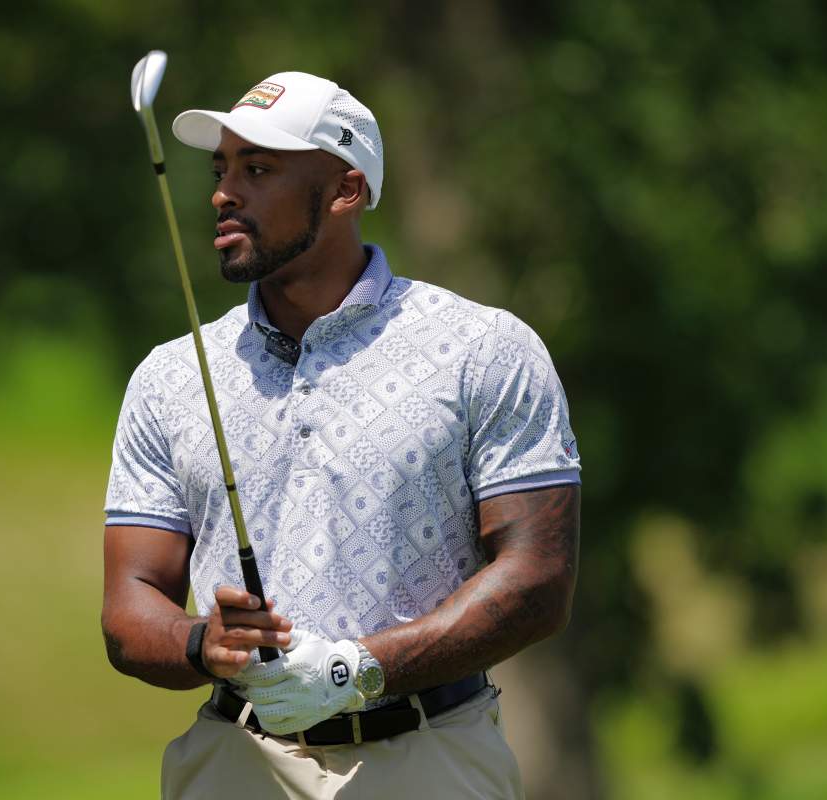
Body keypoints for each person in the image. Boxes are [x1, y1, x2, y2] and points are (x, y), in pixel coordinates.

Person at [102, 70, 581, 800]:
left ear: (346, 190)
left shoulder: (483, 349)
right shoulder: (170, 375)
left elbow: (539, 581)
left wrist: (354, 670)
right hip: (236, 760)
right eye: (220, 169)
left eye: (258, 169)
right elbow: (130, 603)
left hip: (427, 758)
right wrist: (204, 642)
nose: (223, 194)